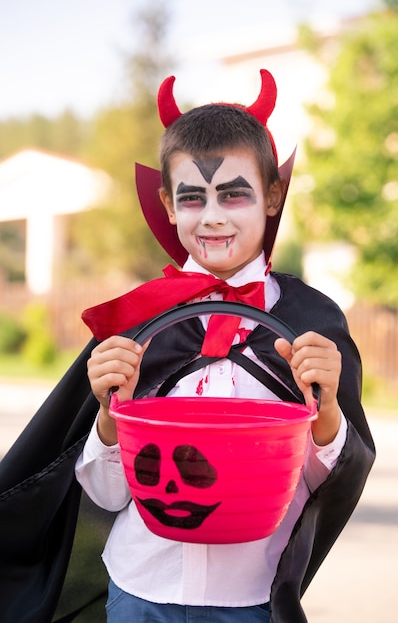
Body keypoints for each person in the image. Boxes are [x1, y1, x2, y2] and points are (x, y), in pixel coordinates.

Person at [73, 69, 376, 622]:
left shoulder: (310, 322)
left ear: (272, 195)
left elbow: (323, 485)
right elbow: (107, 492)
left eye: (234, 195)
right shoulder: (140, 321)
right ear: (167, 204)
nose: (212, 217)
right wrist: (106, 412)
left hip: (250, 598)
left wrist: (326, 409)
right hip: (139, 587)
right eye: (192, 199)